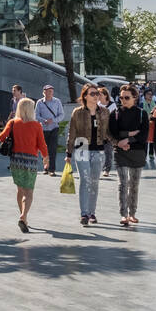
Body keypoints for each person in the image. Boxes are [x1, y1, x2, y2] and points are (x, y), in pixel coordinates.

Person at [0, 98, 49, 233]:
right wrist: (46, 157)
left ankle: (24, 218)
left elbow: (1, 138)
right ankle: (23, 216)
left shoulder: (13, 123)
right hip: (30, 160)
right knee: (29, 192)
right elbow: (41, 144)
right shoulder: (37, 125)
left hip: (15, 160)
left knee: (20, 190)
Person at [66, 85, 112, 226]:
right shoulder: (77, 112)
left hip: (98, 150)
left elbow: (109, 132)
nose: (96, 96)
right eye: (92, 93)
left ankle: (92, 212)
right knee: (85, 181)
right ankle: (84, 213)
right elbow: (72, 133)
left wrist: (119, 143)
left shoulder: (104, 112)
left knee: (94, 182)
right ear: (85, 96)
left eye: (97, 93)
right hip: (82, 148)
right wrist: (68, 153)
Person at [109, 84, 148, 227]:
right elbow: (113, 132)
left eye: (126, 97)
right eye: (121, 97)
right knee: (123, 184)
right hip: (120, 152)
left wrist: (128, 140)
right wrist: (128, 136)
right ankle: (123, 214)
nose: (123, 100)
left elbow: (143, 135)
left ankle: (133, 213)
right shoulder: (116, 113)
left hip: (137, 153)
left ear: (135, 98)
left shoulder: (142, 114)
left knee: (134, 185)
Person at [35, 84, 66, 175]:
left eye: (51, 91)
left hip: (54, 128)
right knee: (43, 149)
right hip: (43, 129)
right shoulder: (39, 102)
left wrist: (53, 120)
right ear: (44, 92)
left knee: (52, 149)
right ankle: (46, 166)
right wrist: (44, 120)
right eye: (48, 91)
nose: (50, 93)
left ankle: (52, 170)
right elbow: (36, 115)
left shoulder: (57, 101)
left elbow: (61, 115)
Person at [97, 87, 116, 177]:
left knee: (108, 151)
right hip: (98, 131)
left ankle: (106, 169)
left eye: (100, 94)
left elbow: (114, 120)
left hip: (109, 131)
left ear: (105, 95)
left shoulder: (112, 105)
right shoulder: (97, 105)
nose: (98, 96)